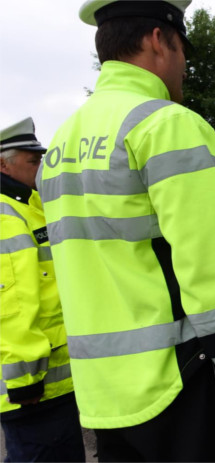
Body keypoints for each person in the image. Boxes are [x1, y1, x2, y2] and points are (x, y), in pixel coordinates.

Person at [36, 2, 215, 461]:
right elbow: (211, 267)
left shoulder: (61, 143)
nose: (185, 66)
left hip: (103, 395)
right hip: (178, 381)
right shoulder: (166, 124)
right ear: (156, 39)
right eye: (182, 49)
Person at [0, 118, 86, 462]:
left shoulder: (28, 205)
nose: (40, 167)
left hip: (52, 382)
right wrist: (26, 381)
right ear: (2, 163)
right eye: (32, 161)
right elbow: (12, 302)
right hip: (34, 388)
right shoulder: (8, 215)